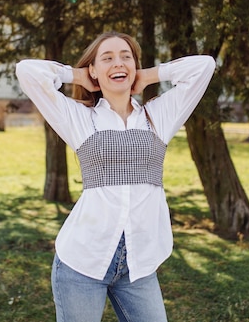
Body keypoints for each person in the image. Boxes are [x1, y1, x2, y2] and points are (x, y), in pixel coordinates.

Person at [15, 31, 215, 322]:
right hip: (82, 263)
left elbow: (204, 66)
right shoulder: (80, 119)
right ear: (93, 70)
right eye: (106, 58)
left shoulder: (158, 116)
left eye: (126, 57)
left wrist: (149, 75)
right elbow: (27, 71)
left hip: (138, 266)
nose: (118, 63)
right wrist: (78, 76)